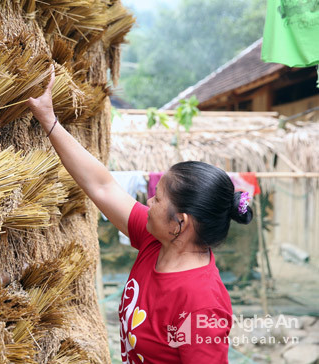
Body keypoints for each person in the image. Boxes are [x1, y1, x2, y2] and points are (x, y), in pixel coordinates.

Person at [27, 66, 253, 364]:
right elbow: (102, 186)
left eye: (158, 199)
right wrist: (49, 120)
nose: (148, 200)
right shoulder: (155, 240)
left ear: (180, 223)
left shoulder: (201, 302)